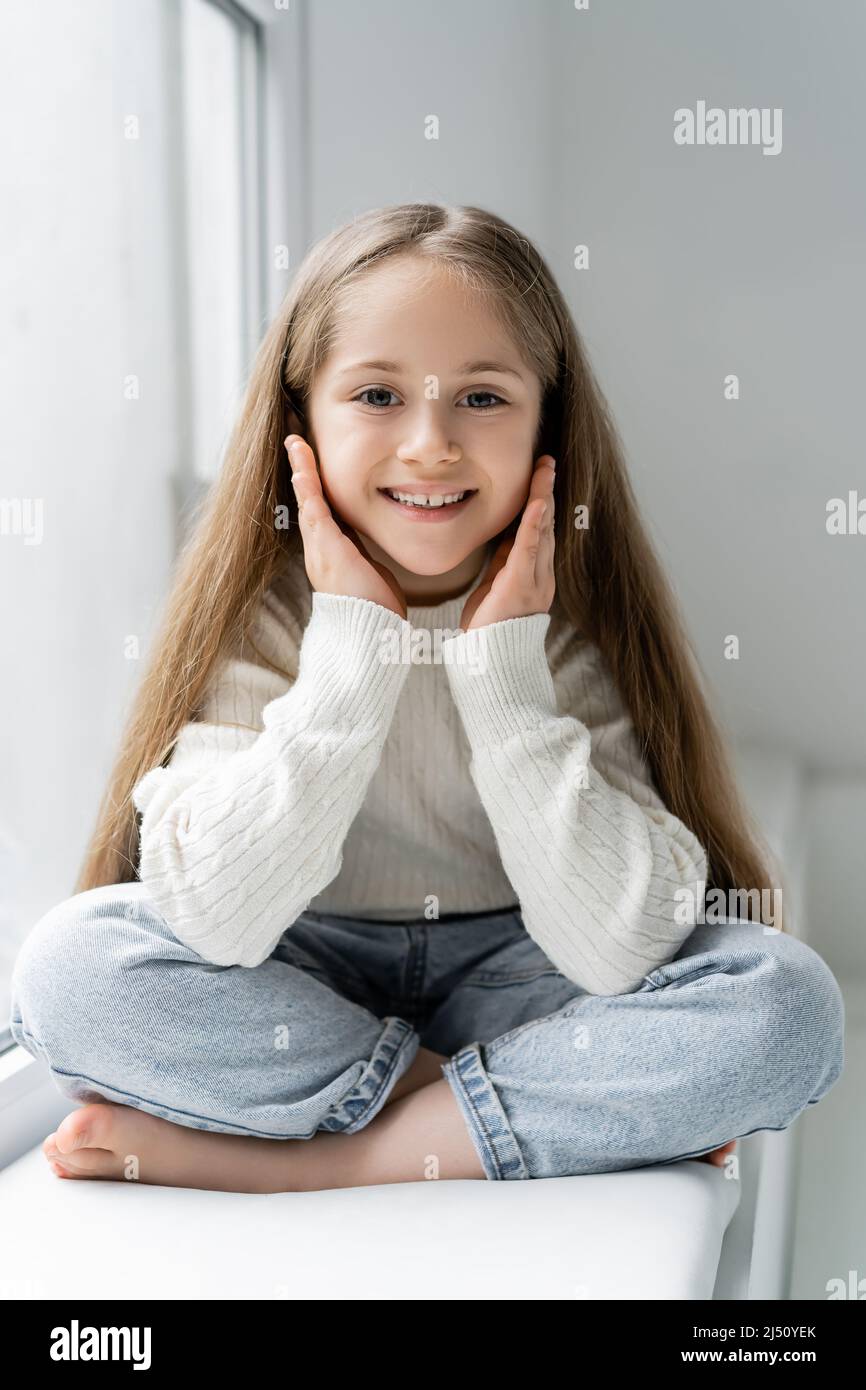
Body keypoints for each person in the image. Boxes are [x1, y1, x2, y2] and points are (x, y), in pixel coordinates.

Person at [9, 204, 844, 1192]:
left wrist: (502, 674)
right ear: (299, 425)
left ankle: (323, 1164)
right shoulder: (265, 626)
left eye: (482, 399)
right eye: (375, 393)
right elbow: (219, 921)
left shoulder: (566, 630)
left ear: (547, 423)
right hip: (299, 983)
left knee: (782, 1001)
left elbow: (613, 950)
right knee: (72, 965)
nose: (430, 444)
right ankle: (467, 1118)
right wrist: (353, 654)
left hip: (522, 983)